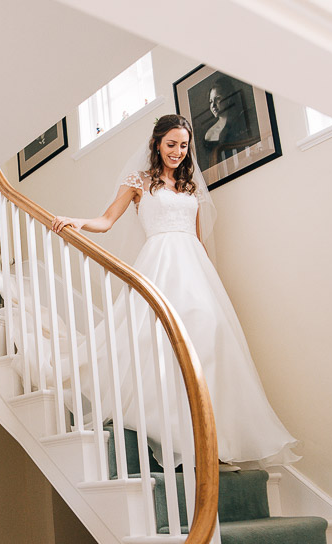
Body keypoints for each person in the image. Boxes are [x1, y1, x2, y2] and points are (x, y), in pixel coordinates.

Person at [52, 114, 297, 470]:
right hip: (159, 262)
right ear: (156, 144)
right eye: (171, 144)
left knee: (207, 333)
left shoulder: (190, 186)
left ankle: (207, 434)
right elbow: (106, 221)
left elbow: (197, 238)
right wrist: (77, 222)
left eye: (183, 145)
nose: (178, 152)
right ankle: (171, 429)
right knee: (157, 337)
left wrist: (210, 279)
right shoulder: (138, 181)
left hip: (193, 266)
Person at [202, 76, 255, 166]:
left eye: (217, 98)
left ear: (229, 97)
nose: (213, 105)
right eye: (210, 101)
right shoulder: (209, 134)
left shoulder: (245, 118)